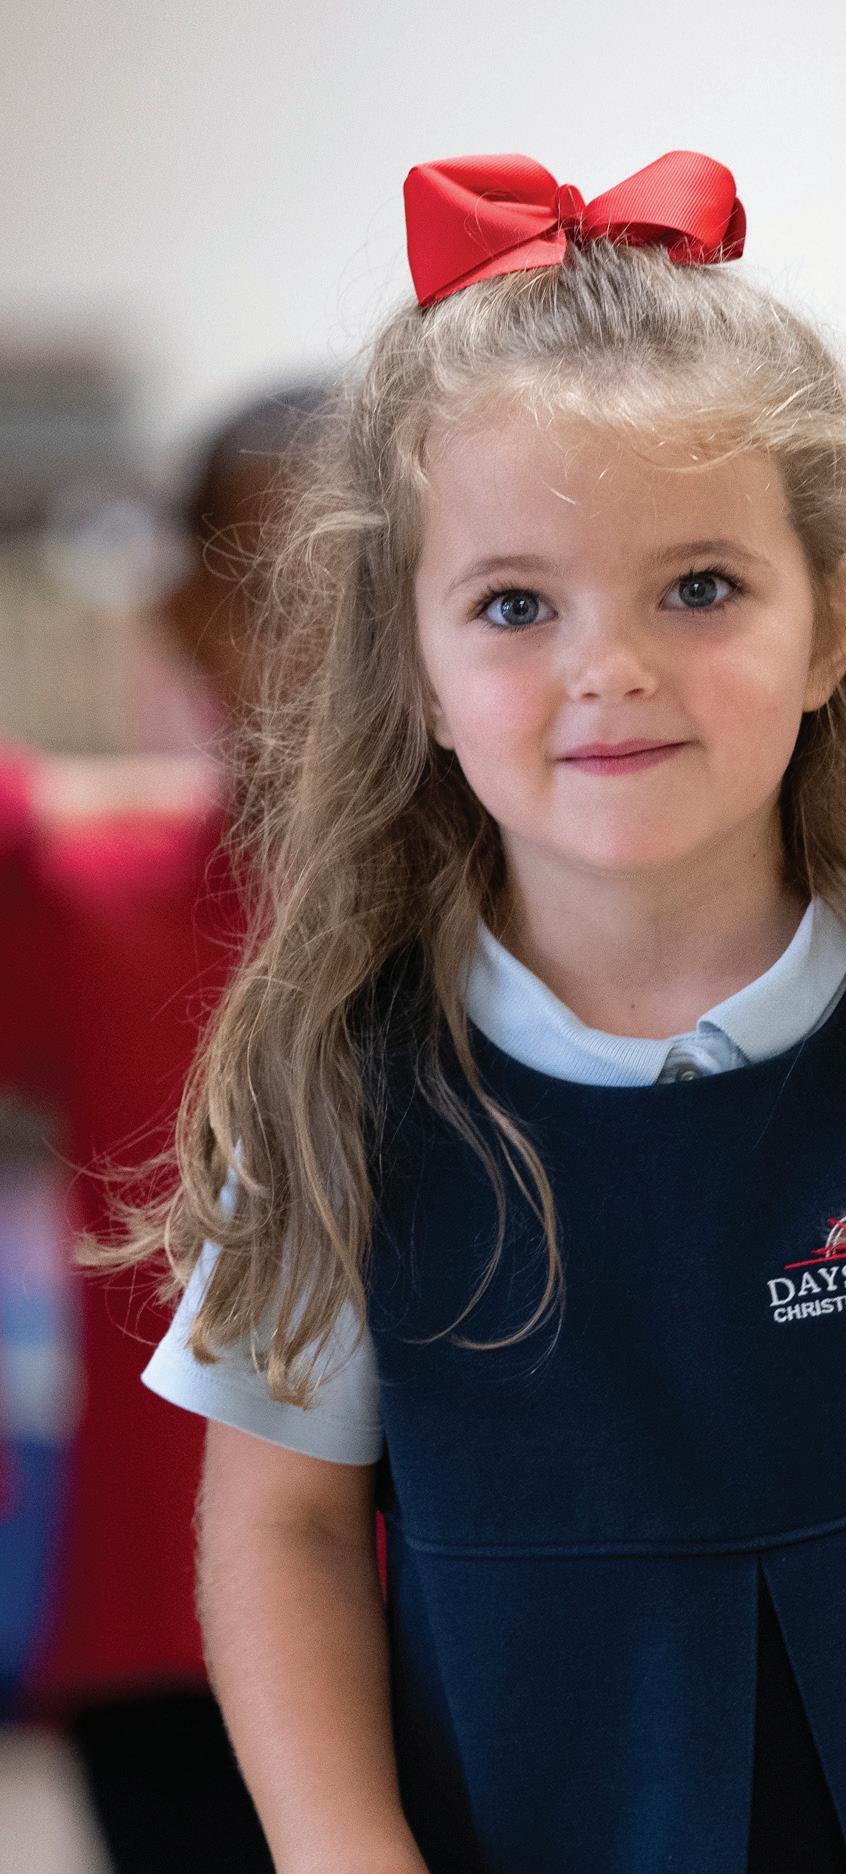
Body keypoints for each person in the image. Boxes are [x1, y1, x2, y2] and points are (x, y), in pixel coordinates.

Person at [82, 150, 846, 1873]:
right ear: (413, 669)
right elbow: (285, 1529)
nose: (609, 666)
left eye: (699, 586)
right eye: (515, 604)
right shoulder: (343, 1099)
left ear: (832, 625)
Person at [0, 380, 327, 1871]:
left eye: (368, 597)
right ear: (187, 618)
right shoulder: (93, 895)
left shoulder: (543, 917)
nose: (324, 655)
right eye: (272, 601)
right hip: (166, 1645)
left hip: (471, 1614)